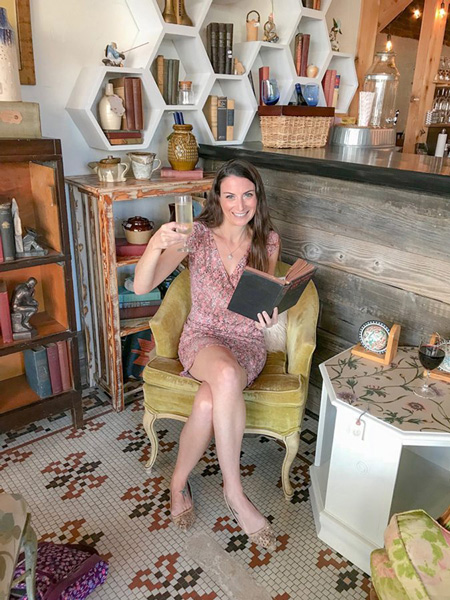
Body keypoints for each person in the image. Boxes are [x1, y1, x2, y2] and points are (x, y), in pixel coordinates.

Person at [134, 159, 280, 549]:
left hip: (247, 343)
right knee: (226, 377)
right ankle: (235, 492)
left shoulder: (268, 240)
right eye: (230, 195)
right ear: (218, 197)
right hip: (203, 338)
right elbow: (140, 284)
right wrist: (155, 244)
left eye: (247, 194)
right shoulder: (195, 236)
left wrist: (271, 318)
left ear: (257, 197)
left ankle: (177, 484)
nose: (239, 204)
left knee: (204, 404)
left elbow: (265, 298)